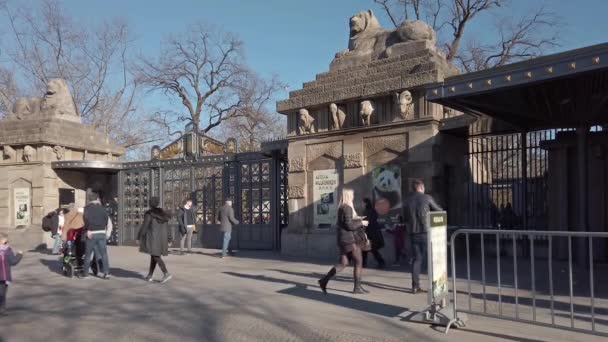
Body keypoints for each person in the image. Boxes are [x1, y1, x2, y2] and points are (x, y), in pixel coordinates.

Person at [318, 189, 370, 295]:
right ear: (348, 196)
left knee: (343, 263)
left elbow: (347, 222)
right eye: (352, 195)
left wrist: (357, 219)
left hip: (343, 239)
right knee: (359, 262)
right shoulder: (347, 208)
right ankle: (357, 288)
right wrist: (361, 223)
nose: (353, 197)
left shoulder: (341, 207)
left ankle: (324, 281)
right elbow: (349, 226)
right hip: (350, 240)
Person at [403, 179, 442, 294]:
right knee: (433, 259)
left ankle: (415, 286)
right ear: (421, 187)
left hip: (413, 233)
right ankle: (436, 286)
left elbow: (405, 218)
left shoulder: (407, 201)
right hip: (426, 232)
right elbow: (439, 210)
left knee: (417, 260)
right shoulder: (427, 198)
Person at [137, 197, 173, 283]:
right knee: (154, 256)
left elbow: (144, 227)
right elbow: (167, 228)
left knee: (155, 256)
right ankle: (150, 275)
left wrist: (139, 237)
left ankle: (166, 273)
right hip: (162, 239)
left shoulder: (149, 214)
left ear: (150, 204)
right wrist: (169, 238)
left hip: (153, 238)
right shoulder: (163, 214)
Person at [81, 192, 110, 279]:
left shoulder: (87, 208)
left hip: (91, 233)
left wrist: (88, 229)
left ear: (89, 199)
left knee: (88, 254)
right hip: (101, 232)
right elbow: (106, 219)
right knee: (104, 254)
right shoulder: (103, 208)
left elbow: (86, 219)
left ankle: (85, 273)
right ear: (97, 199)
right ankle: (106, 273)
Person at [0, 232, 23, 316]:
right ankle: (2, 309)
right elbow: (13, 261)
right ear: (3, 241)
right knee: (2, 293)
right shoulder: (7, 250)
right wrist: (19, 255)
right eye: (7, 241)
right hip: (3, 277)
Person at [362, 198, 386, 269]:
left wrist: (363, 230)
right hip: (374, 232)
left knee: (369, 249)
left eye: (363, 203)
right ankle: (380, 262)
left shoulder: (367, 211)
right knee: (370, 249)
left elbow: (366, 222)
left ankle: (364, 263)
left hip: (370, 233)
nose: (362, 204)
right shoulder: (372, 211)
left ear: (365, 204)